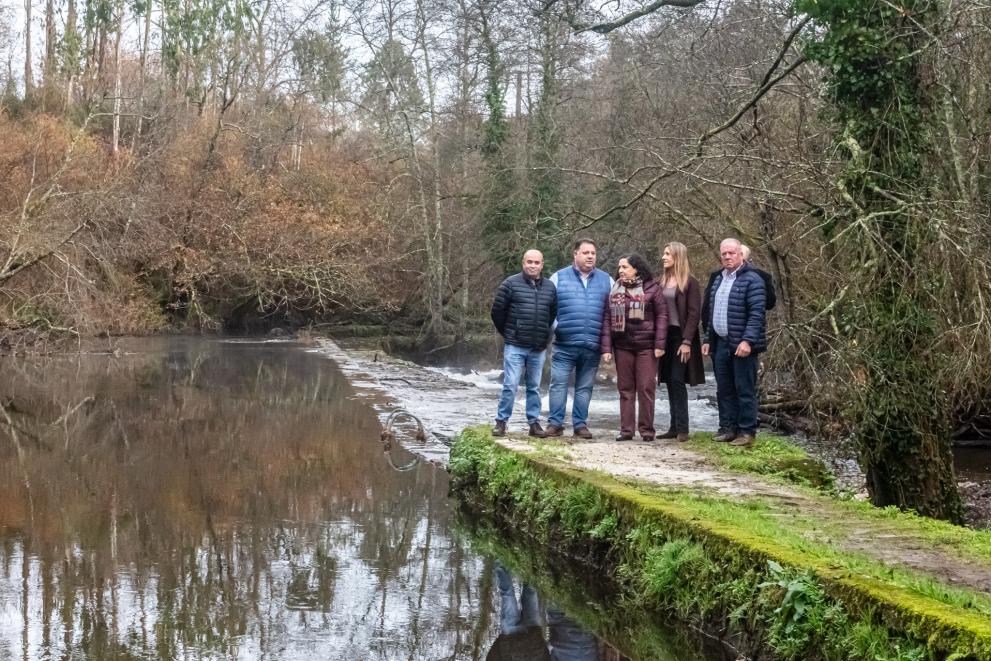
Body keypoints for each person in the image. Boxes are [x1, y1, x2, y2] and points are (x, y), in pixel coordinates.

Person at [701, 238, 768, 447]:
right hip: (720, 343)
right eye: (724, 254)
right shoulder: (718, 279)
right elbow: (712, 313)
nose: (728, 257)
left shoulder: (753, 279)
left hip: (742, 344)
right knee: (724, 388)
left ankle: (747, 432)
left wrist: (748, 341)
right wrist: (707, 339)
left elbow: (757, 314)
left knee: (745, 389)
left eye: (732, 253)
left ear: (741, 254)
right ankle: (727, 428)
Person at [545, 239, 613, 439]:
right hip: (564, 344)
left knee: (585, 387)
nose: (590, 256)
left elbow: (611, 313)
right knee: (558, 384)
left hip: (592, 345)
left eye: (593, 252)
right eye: (585, 252)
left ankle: (580, 425)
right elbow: (548, 308)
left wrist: (607, 341)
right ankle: (555, 424)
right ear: (575, 254)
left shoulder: (606, 280)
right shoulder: (558, 278)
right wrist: (557, 327)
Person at [490, 249, 557, 438]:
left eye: (537, 262)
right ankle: (501, 422)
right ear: (523, 263)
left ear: (542, 265)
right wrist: (510, 333)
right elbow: (497, 313)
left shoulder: (550, 287)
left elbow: (552, 315)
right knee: (510, 384)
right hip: (515, 344)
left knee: (534, 387)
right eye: (530, 262)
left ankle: (534, 424)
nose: (533, 266)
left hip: (538, 346)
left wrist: (545, 337)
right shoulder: (510, 284)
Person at [600, 254, 667, 442]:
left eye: (625, 267)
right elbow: (607, 320)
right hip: (622, 346)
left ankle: (646, 430)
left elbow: (662, 317)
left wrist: (660, 345)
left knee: (646, 387)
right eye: (619, 267)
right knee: (625, 388)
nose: (621, 270)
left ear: (636, 269)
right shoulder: (614, 290)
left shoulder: (653, 289)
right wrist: (606, 349)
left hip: (647, 347)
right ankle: (626, 430)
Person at [656, 242, 706, 442]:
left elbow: (694, 314)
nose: (663, 257)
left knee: (678, 380)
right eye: (664, 253)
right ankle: (673, 427)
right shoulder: (661, 281)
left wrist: (686, 341)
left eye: (667, 254)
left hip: (681, 336)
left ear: (677, 256)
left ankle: (683, 428)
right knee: (668, 380)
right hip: (663, 336)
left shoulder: (690, 282)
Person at [701, 243, 776, 325]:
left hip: (747, 327)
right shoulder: (717, 276)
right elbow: (708, 305)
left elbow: (769, 304)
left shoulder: (761, 276)